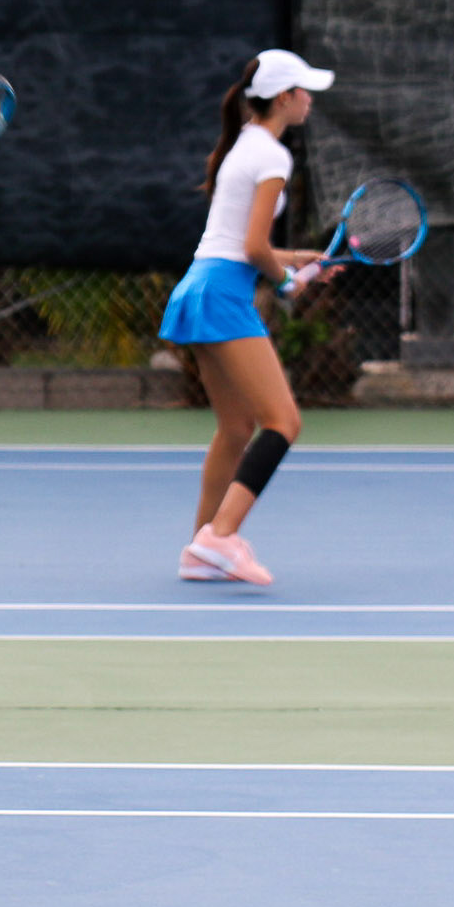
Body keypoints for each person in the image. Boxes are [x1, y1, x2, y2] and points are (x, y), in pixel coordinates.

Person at [157, 49, 337, 586]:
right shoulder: (273, 157)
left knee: (236, 428)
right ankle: (221, 535)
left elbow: (238, 244)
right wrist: (286, 282)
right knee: (284, 422)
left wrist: (294, 259)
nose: (309, 100)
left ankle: (199, 548)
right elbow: (254, 248)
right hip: (221, 295)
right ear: (284, 98)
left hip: (201, 286)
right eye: (304, 91)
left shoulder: (245, 145)